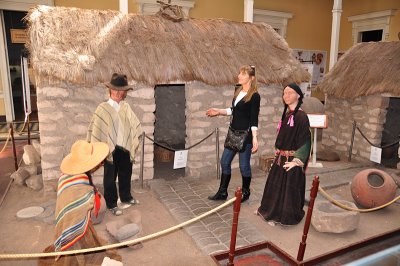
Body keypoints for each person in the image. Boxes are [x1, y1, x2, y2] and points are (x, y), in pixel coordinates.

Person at [38, 140, 121, 265]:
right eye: (96, 163)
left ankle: (81, 242)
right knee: (79, 245)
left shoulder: (67, 175)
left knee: (85, 236)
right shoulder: (80, 183)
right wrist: (93, 196)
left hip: (69, 221)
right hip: (72, 224)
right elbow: (84, 203)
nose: (99, 165)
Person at [87, 73, 142, 216]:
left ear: (124, 92)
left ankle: (126, 197)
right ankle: (111, 203)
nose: (118, 93)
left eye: (121, 90)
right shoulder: (102, 109)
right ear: (110, 90)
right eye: (115, 90)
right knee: (110, 177)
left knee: (126, 173)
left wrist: (135, 134)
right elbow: (96, 129)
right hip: (109, 149)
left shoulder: (126, 107)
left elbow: (134, 125)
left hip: (124, 146)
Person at [257, 83, 311, 226]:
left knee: (288, 190)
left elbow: (306, 141)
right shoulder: (288, 115)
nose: (286, 96)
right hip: (281, 158)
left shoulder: (301, 117)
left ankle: (285, 217)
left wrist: (297, 160)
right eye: (284, 93)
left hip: (292, 160)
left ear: (298, 95)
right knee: (275, 186)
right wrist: (279, 150)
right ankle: (271, 212)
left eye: (290, 93)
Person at [206, 65, 260, 202]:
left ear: (251, 78)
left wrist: (254, 138)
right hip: (233, 132)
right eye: (239, 73)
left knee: (243, 166)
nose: (239, 76)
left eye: (243, 74)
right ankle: (222, 192)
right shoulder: (238, 89)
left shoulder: (255, 96)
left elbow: (254, 118)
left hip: (245, 136)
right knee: (224, 162)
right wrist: (218, 111)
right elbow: (234, 109)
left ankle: (246, 192)